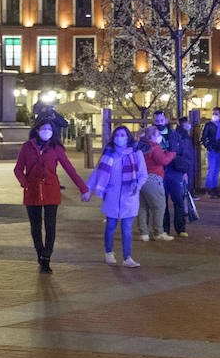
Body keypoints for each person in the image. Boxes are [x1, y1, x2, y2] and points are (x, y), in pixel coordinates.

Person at [14, 116, 90, 273]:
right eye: (44, 129)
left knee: (50, 226)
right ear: (37, 130)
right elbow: (18, 169)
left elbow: (70, 169)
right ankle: (40, 253)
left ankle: (47, 257)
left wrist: (83, 188)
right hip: (32, 191)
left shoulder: (56, 148)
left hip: (50, 191)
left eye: (49, 129)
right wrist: (24, 182)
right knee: (36, 227)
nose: (47, 132)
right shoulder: (27, 147)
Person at [86, 125, 147, 267]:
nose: (120, 137)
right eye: (117, 134)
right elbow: (97, 173)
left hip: (129, 195)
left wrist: (137, 187)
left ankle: (127, 257)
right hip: (111, 195)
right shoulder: (108, 154)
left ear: (128, 137)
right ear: (113, 138)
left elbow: (143, 174)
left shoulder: (136, 153)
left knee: (127, 229)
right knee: (110, 226)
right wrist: (88, 189)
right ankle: (108, 252)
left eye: (123, 134)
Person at [135, 125, 176, 242]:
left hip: (140, 179)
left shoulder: (140, 146)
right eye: (158, 135)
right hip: (153, 178)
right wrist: (171, 153)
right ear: (152, 136)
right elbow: (163, 160)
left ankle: (144, 233)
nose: (159, 137)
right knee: (159, 206)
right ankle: (158, 231)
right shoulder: (154, 147)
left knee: (143, 207)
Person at [164, 119, 195, 238]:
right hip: (166, 172)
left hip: (175, 171)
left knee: (178, 201)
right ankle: (165, 229)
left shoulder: (178, 136)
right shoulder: (158, 135)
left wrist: (184, 171)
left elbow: (185, 155)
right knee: (165, 203)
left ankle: (179, 227)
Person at [201, 107, 220, 198]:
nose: (214, 115)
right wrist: (208, 146)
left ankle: (214, 187)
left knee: (216, 170)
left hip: (219, 150)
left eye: (216, 114)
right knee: (211, 169)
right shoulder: (209, 125)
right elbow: (204, 138)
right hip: (212, 150)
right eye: (213, 113)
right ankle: (209, 189)